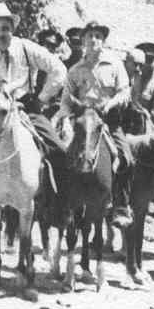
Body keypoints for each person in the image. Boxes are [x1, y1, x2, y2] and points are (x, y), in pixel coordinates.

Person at [0, 3, 67, 223]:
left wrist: (42, 98)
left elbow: (58, 70)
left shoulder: (26, 48)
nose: (1, 34)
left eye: (5, 28)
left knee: (59, 151)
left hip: (25, 107)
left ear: (12, 29)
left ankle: (55, 210)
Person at [56, 21, 134, 229]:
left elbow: (125, 91)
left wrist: (111, 103)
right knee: (58, 153)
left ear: (103, 40)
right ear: (82, 40)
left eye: (98, 36)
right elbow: (66, 99)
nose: (93, 40)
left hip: (107, 120)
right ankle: (61, 204)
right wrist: (65, 120)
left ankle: (120, 206)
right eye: (89, 36)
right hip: (81, 120)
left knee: (126, 157)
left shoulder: (115, 65)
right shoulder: (75, 70)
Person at [133, 41, 154, 126]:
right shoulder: (133, 80)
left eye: (150, 60)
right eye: (145, 60)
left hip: (146, 128)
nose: (147, 64)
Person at [36, 29, 65, 118]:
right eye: (43, 43)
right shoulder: (27, 60)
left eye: (52, 46)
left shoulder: (57, 71)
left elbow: (58, 101)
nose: (46, 48)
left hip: (39, 111)